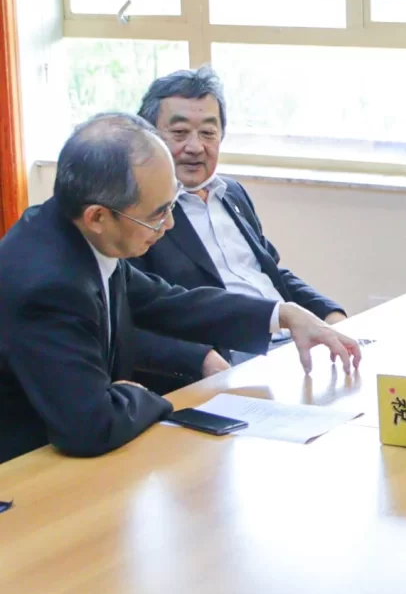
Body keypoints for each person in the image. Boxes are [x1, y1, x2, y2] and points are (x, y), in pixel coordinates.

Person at [0, 113, 361, 464]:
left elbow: (165, 301)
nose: (169, 224)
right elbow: (90, 425)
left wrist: (282, 314)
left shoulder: (73, 229)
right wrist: (144, 395)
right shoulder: (48, 284)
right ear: (98, 216)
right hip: (24, 470)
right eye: (157, 214)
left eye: (172, 204)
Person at [129, 66, 347, 389]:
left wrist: (331, 316)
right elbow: (132, 317)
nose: (195, 147)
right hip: (228, 358)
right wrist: (199, 358)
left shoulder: (231, 193)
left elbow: (271, 273)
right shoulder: (139, 212)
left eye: (208, 133)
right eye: (179, 133)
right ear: (149, 138)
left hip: (289, 344)